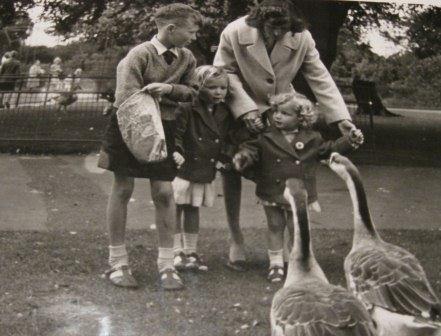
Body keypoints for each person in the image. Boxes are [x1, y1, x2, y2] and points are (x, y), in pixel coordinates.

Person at [213, 0, 360, 271]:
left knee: (288, 167)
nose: (277, 36)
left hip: (280, 107)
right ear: (258, 22)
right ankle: (236, 238)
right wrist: (245, 109)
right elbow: (224, 73)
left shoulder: (301, 37)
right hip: (238, 105)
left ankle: (296, 247)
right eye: (271, 30)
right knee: (231, 170)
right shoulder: (234, 32)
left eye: (284, 30)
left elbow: (320, 77)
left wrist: (341, 119)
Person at [97, 3, 202, 290]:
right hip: (129, 126)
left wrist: (169, 90)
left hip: (165, 129)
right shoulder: (139, 55)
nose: (193, 37)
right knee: (123, 189)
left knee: (164, 192)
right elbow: (126, 97)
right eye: (190, 31)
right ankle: (117, 262)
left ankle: (167, 265)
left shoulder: (187, 58)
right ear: (171, 29)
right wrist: (149, 111)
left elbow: (192, 92)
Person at [233, 92, 364, 282]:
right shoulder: (265, 136)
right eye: (276, 111)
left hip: (300, 192)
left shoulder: (312, 138)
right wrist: (243, 157)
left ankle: (299, 261)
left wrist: (349, 140)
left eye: (285, 113)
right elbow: (252, 150)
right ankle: (276, 264)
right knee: (275, 226)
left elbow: (329, 150)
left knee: (297, 228)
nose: (277, 116)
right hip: (273, 190)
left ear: (301, 118)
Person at [172, 65, 233, 272]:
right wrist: (177, 150)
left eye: (223, 88)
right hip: (184, 165)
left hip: (205, 166)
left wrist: (223, 156)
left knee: (193, 207)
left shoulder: (223, 112)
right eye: (212, 87)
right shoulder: (187, 108)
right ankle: (175, 251)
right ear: (199, 87)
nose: (218, 92)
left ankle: (191, 251)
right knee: (176, 206)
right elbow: (177, 133)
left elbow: (226, 137)